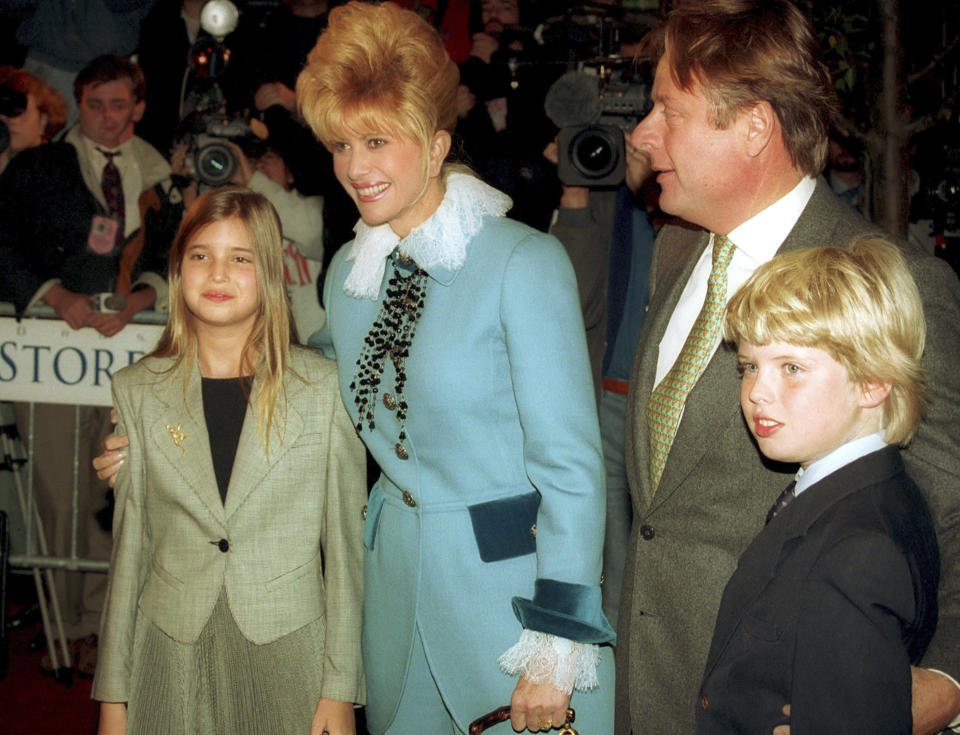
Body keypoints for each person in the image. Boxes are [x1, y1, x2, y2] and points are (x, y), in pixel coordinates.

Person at [617, 2, 960, 734]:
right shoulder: (676, 250)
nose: (642, 136)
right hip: (648, 687)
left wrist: (942, 680)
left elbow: (948, 507)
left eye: (668, 112)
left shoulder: (893, 281)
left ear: (753, 127)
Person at [297, 3, 613, 733]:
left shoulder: (522, 263)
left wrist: (556, 641)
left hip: (511, 612)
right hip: (394, 604)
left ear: (437, 144)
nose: (355, 167)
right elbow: (316, 371)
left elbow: (571, 466)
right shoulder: (351, 266)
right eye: (341, 143)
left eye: (378, 140)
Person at [91, 186, 366, 735]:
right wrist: (113, 698)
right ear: (177, 272)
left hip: (288, 646)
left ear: (268, 273)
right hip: (168, 648)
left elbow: (346, 553)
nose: (218, 274)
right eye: (201, 256)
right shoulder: (137, 391)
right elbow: (129, 554)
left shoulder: (322, 390)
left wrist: (341, 688)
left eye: (239, 259)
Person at [698, 241, 939, 733]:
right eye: (749, 366)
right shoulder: (862, 490)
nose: (757, 392)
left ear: (873, 382)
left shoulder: (859, 550)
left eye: (791, 368)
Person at [0, 53, 184, 679]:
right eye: (95, 105)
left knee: (122, 491)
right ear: (80, 106)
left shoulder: (160, 174)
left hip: (132, 354)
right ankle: (68, 624)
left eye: (119, 105)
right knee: (57, 494)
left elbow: (174, 248)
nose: (107, 118)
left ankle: (110, 629)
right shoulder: (36, 167)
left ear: (138, 107)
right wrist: (55, 295)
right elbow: (1, 241)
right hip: (52, 352)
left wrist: (146, 294)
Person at [545, 133, 657, 629]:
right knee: (607, 577)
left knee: (651, 578)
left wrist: (650, 197)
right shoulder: (605, 185)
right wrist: (575, 191)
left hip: (664, 403)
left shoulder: (686, 198)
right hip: (607, 401)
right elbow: (572, 298)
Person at [0, 65, 67, 175]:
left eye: (22, 112)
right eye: (7, 111)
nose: (13, 121)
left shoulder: (53, 173)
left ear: (42, 122)